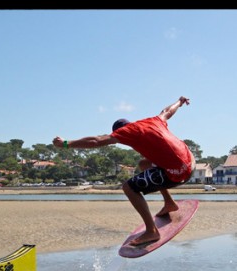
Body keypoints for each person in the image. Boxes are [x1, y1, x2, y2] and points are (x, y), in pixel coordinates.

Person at [53, 96, 195, 246]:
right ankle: (169, 203)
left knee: (129, 187)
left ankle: (151, 231)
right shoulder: (152, 121)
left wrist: (65, 144)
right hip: (191, 162)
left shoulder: (126, 132)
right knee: (144, 164)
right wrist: (180, 102)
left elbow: (96, 141)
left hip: (180, 173)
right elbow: (167, 111)